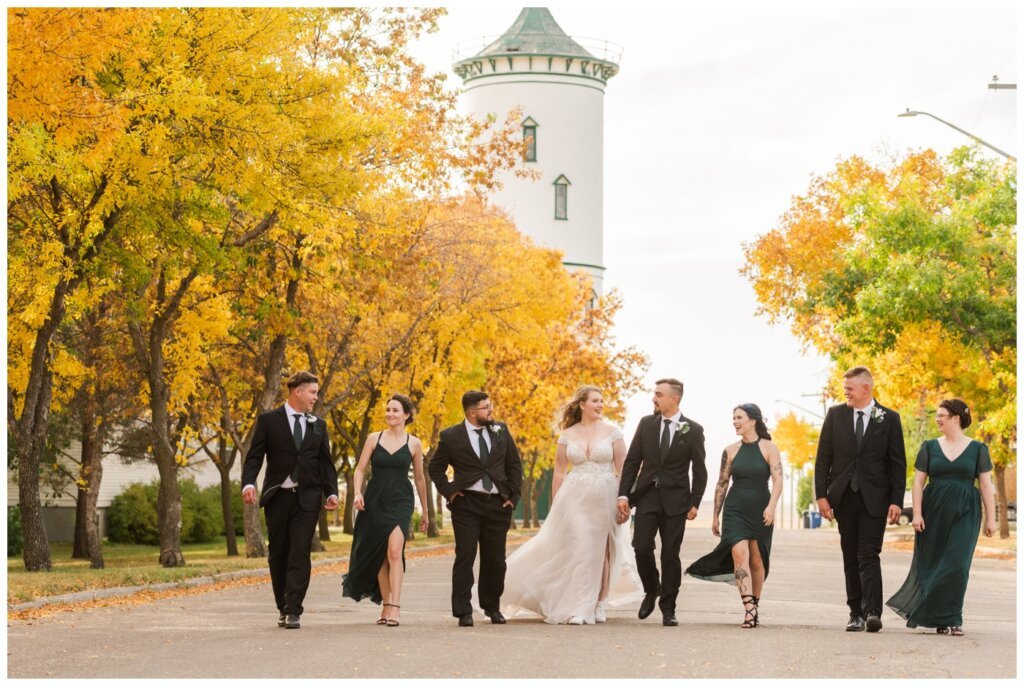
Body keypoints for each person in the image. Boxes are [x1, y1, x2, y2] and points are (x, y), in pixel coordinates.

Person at [498, 386, 644, 624]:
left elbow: (625, 469)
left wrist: (624, 499)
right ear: (582, 405)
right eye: (595, 401)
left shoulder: (613, 433)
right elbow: (559, 473)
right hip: (574, 498)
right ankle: (579, 604)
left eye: (602, 401)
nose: (600, 405)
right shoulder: (568, 434)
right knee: (581, 547)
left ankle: (598, 602)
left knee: (602, 551)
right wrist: (557, 505)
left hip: (605, 496)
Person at [886, 399, 997, 636]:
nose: (937, 419)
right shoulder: (929, 447)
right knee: (933, 565)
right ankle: (940, 618)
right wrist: (916, 513)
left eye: (941, 415)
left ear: (956, 417)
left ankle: (953, 617)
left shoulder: (978, 449)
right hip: (933, 512)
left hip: (966, 512)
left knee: (957, 565)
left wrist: (991, 518)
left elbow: (986, 486)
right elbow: (917, 482)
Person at [242, 371, 339, 629]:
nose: (315, 398)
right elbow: (254, 456)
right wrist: (249, 482)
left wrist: (332, 492)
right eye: (313, 392)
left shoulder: (318, 425)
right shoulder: (268, 421)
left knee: (299, 552)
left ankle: (294, 609)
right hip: (278, 498)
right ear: (298, 391)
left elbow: (325, 462)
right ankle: (282, 607)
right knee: (278, 553)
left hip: (307, 498)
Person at [814, 366, 906, 633]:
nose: (846, 393)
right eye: (845, 389)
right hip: (843, 498)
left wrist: (896, 500)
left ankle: (873, 612)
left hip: (875, 499)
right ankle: (855, 613)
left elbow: (897, 464)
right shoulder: (835, 415)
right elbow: (823, 459)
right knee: (850, 556)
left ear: (866, 388)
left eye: (850, 389)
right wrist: (821, 495)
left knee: (869, 554)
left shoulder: (889, 418)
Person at [616, 378, 708, 627]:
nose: (654, 398)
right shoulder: (646, 424)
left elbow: (700, 471)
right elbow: (633, 462)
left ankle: (669, 607)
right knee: (642, 547)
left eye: (658, 394)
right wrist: (624, 494)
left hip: (677, 501)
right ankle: (651, 588)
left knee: (670, 554)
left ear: (674, 398)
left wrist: (695, 502)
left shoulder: (693, 430)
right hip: (647, 496)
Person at [428, 391, 522, 627]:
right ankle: (463, 611)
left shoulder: (501, 430)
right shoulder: (451, 436)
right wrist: (449, 491)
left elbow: (513, 464)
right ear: (472, 412)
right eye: (486, 407)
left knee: (496, 560)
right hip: (467, 504)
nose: (491, 410)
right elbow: (435, 467)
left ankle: (492, 607)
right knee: (465, 556)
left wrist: (513, 497)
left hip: (498, 504)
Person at [686, 404, 783, 628]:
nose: (735, 422)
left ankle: (755, 605)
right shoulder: (730, 450)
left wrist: (771, 506)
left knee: (757, 559)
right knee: (740, 555)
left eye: (739, 418)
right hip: (735, 509)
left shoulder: (769, 447)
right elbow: (722, 483)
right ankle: (749, 608)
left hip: (760, 508)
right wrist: (715, 516)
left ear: (753, 420)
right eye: (733, 418)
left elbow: (778, 480)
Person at [342, 394, 429, 627]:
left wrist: (426, 512)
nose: (390, 413)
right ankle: (386, 604)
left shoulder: (414, 443)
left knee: (394, 551)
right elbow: (359, 470)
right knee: (381, 553)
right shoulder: (374, 438)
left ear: (406, 415)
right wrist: (358, 493)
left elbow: (420, 479)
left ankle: (396, 607)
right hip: (375, 498)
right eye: (388, 409)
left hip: (401, 499)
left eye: (395, 410)